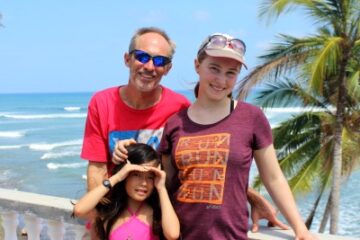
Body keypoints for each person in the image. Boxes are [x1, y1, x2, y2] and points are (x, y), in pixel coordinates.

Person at [81, 26, 287, 235]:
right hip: (117, 222)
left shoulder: (179, 110)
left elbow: (199, 166)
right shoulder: (102, 103)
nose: (150, 66)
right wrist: (100, 228)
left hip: (157, 224)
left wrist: (251, 197)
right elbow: (96, 171)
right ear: (127, 59)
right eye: (142, 57)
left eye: (160, 61)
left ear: (168, 68)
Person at [158, 33, 317, 239]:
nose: (221, 80)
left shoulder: (251, 117)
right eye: (214, 68)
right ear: (197, 66)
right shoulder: (175, 123)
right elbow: (168, 185)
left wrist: (299, 227)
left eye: (231, 73)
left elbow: (273, 177)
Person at [73, 143, 180, 240]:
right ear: (125, 174)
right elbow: (79, 210)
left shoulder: (158, 213)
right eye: (136, 174)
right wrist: (117, 177)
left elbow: (172, 234)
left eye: (150, 177)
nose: (144, 183)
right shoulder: (109, 212)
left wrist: (161, 187)